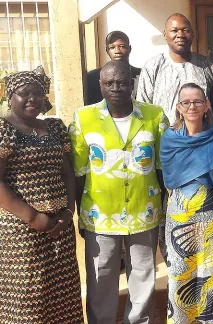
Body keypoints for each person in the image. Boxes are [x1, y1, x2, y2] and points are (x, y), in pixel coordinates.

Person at [70, 61, 168, 324]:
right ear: (100, 86)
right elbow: (79, 173)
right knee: (101, 277)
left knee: (143, 275)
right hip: (100, 215)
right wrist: (81, 215)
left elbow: (162, 167)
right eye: (109, 83)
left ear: (132, 83)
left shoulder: (154, 116)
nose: (116, 87)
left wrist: (162, 207)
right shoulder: (83, 118)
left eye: (122, 82)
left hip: (144, 211)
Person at [0, 66, 84, 323]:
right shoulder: (5, 130)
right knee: (29, 295)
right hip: (21, 229)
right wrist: (33, 217)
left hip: (60, 226)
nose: (32, 99)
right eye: (24, 94)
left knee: (63, 293)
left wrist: (68, 213)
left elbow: (68, 173)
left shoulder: (55, 127)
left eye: (37, 93)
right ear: (10, 96)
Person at [160, 83, 213, 323]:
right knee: (182, 271)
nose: (192, 106)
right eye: (186, 102)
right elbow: (170, 178)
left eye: (197, 101)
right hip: (181, 214)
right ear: (178, 107)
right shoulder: (170, 139)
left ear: (207, 105)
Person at [137, 13, 213, 125]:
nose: (180, 35)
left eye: (185, 30)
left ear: (193, 34)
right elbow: (142, 108)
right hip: (164, 138)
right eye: (174, 30)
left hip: (203, 138)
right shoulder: (152, 67)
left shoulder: (207, 66)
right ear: (165, 34)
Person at [86, 31, 141, 105]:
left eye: (122, 46)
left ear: (130, 48)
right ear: (107, 50)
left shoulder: (142, 75)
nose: (117, 51)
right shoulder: (93, 77)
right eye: (112, 47)